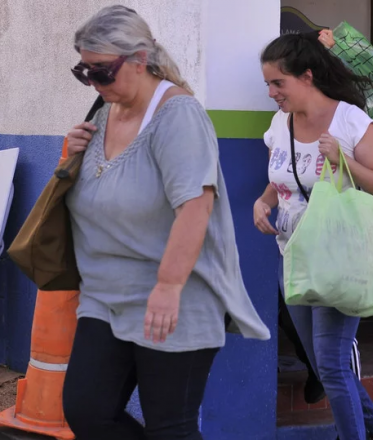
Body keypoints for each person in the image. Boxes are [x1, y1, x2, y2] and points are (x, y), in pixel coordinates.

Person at [60, 6, 270, 439]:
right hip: (104, 296)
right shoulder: (103, 114)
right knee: (87, 413)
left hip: (174, 298)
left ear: (139, 59)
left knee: (169, 428)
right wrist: (70, 157)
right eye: (85, 71)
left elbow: (195, 207)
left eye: (102, 71)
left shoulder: (178, 116)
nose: (93, 82)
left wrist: (169, 286)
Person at [254, 31, 373, 440]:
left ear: (307, 76)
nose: (271, 93)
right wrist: (261, 203)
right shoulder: (279, 123)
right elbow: (278, 180)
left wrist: (344, 159)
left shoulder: (351, 121)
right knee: (320, 364)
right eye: (267, 83)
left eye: (277, 83)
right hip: (294, 255)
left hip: (338, 255)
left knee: (333, 364)